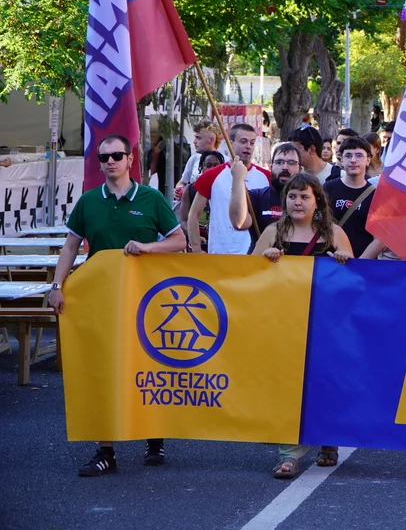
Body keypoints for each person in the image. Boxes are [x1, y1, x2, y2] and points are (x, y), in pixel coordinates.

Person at [48, 134, 187, 476]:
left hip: (145, 301)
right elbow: (70, 246)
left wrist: (147, 247)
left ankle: (154, 436)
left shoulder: (152, 199)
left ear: (130, 159)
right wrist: (57, 286)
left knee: (148, 367)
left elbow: (179, 240)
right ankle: (105, 451)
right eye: (104, 157)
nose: (110, 161)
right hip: (101, 301)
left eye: (117, 155)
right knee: (102, 371)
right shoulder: (88, 201)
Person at [252, 174, 353, 478]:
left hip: (324, 325)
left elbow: (355, 282)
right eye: (292, 196)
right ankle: (289, 454)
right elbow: (248, 277)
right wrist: (264, 260)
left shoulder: (334, 233)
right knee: (287, 386)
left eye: (305, 196)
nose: (298, 202)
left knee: (323, 384)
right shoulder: (272, 232)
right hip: (282, 324)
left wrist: (345, 261)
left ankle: (327, 438)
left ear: (317, 201)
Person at [189, 124, 270, 255]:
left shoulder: (267, 177)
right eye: (243, 141)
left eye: (252, 142)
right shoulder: (211, 175)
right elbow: (193, 215)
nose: (248, 146)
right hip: (220, 253)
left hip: (256, 255)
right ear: (231, 143)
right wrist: (196, 249)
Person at [323, 137, 379, 258]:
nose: (353, 160)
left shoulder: (376, 195)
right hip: (330, 260)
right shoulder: (327, 189)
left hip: (362, 263)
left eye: (359, 155)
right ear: (341, 160)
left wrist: (359, 263)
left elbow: (379, 238)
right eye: (348, 155)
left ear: (368, 160)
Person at [228, 142, 299, 237]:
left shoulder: (310, 199)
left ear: (300, 169)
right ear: (271, 167)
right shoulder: (256, 197)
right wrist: (238, 180)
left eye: (291, 163)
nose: (285, 167)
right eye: (279, 162)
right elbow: (239, 223)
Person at [181, 150, 225, 250]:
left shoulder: (228, 190)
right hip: (197, 247)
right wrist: (196, 237)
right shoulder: (190, 190)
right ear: (201, 168)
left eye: (216, 165)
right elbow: (183, 221)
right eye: (208, 165)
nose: (212, 169)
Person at [175, 121, 228, 200]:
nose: (194, 141)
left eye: (198, 138)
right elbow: (183, 182)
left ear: (211, 140)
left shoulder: (226, 162)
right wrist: (179, 190)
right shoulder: (194, 159)